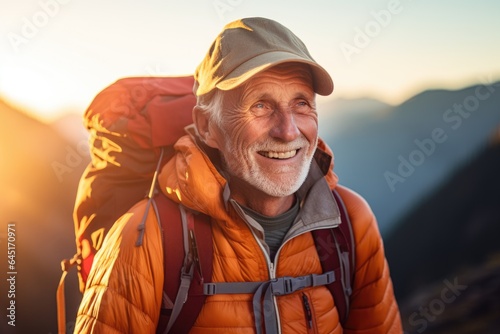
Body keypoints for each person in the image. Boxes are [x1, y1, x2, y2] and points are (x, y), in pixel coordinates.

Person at [75, 17, 402, 333]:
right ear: (207, 127)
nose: (288, 132)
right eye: (260, 105)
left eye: (301, 103)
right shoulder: (147, 238)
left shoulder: (350, 222)